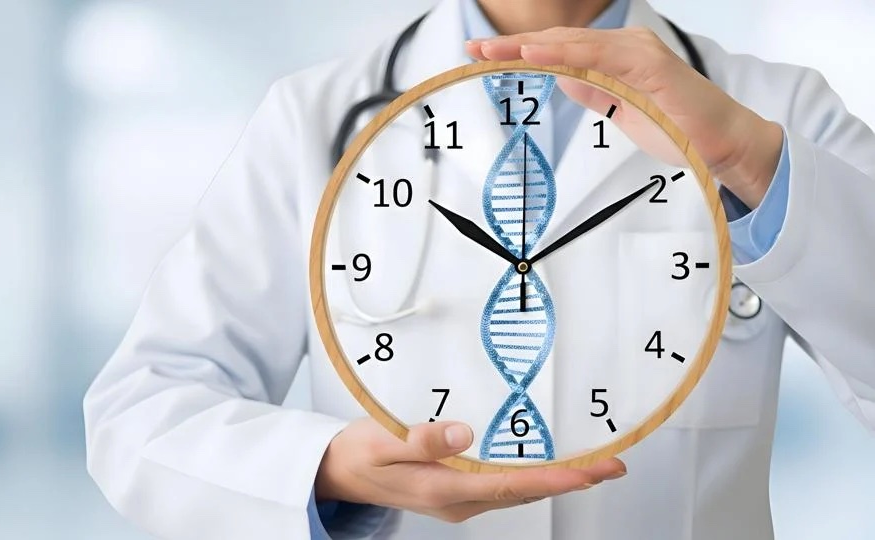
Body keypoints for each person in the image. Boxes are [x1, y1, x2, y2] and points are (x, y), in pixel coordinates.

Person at [83, 0, 875, 538]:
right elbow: (140, 413)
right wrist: (325, 469)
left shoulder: (772, 111)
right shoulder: (314, 119)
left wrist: (749, 158)